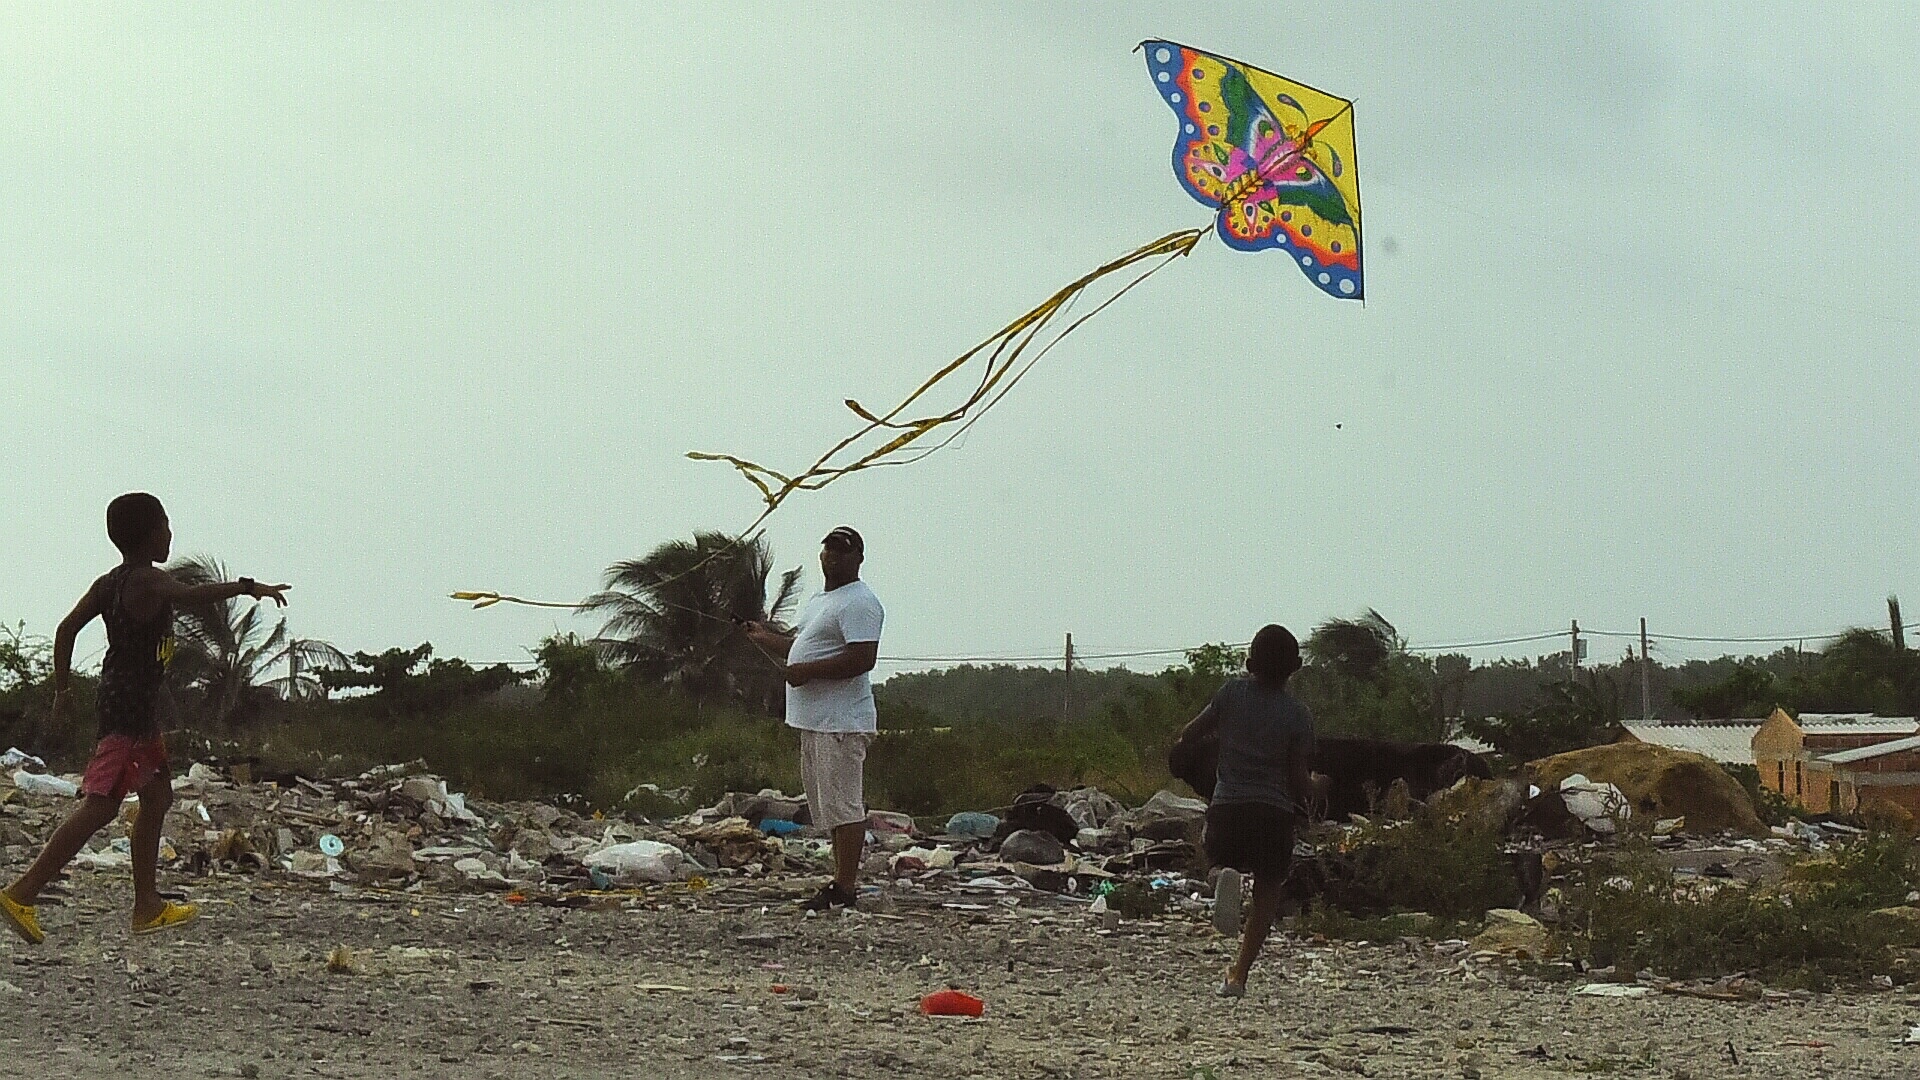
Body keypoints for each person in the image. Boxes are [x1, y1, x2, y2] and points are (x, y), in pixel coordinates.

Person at [0, 493, 289, 944]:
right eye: (166, 525)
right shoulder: (147, 581)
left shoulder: (107, 583)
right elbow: (194, 595)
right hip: (130, 712)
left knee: (157, 799)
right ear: (149, 534)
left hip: (127, 704)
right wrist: (250, 588)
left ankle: (147, 907)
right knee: (101, 806)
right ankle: (21, 893)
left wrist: (62, 691)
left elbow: (65, 629)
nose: (170, 533)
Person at [746, 526, 883, 913]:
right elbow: (801, 647)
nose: (833, 557)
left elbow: (861, 659)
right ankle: (838, 879)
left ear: (857, 558)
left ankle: (845, 886)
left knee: (844, 806)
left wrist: (807, 672)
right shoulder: (820, 601)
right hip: (814, 721)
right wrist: (765, 638)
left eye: (842, 552)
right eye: (828, 550)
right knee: (827, 807)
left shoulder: (860, 602)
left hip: (840, 721)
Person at [1174, 624, 1314, 997]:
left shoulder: (1231, 693)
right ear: (1296, 667)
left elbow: (1191, 732)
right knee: (1268, 890)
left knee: (1217, 855)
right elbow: (1298, 777)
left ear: (1249, 662)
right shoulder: (1298, 715)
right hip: (1273, 814)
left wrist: (1196, 739)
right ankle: (1238, 975)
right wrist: (1316, 795)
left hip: (1228, 807)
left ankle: (1223, 875)